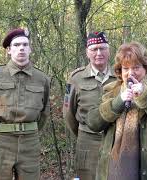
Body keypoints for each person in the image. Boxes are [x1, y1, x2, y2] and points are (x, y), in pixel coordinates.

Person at [85, 42, 147, 180]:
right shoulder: (110, 92)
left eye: (136, 67)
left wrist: (146, 96)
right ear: (120, 71)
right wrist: (118, 102)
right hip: (114, 171)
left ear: (146, 69)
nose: (130, 73)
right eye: (125, 68)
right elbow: (92, 123)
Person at [0, 28, 50, 180]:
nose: (21, 48)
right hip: (1, 140)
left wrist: (32, 131)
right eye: (16, 45)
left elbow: (45, 112)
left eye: (25, 44)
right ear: (9, 50)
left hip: (30, 142)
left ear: (30, 49)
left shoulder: (42, 79)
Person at [63, 32, 116, 180]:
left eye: (103, 48)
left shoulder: (119, 76)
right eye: (94, 49)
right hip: (87, 142)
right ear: (87, 52)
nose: (99, 53)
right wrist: (83, 133)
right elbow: (68, 113)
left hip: (114, 139)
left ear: (109, 50)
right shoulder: (75, 78)